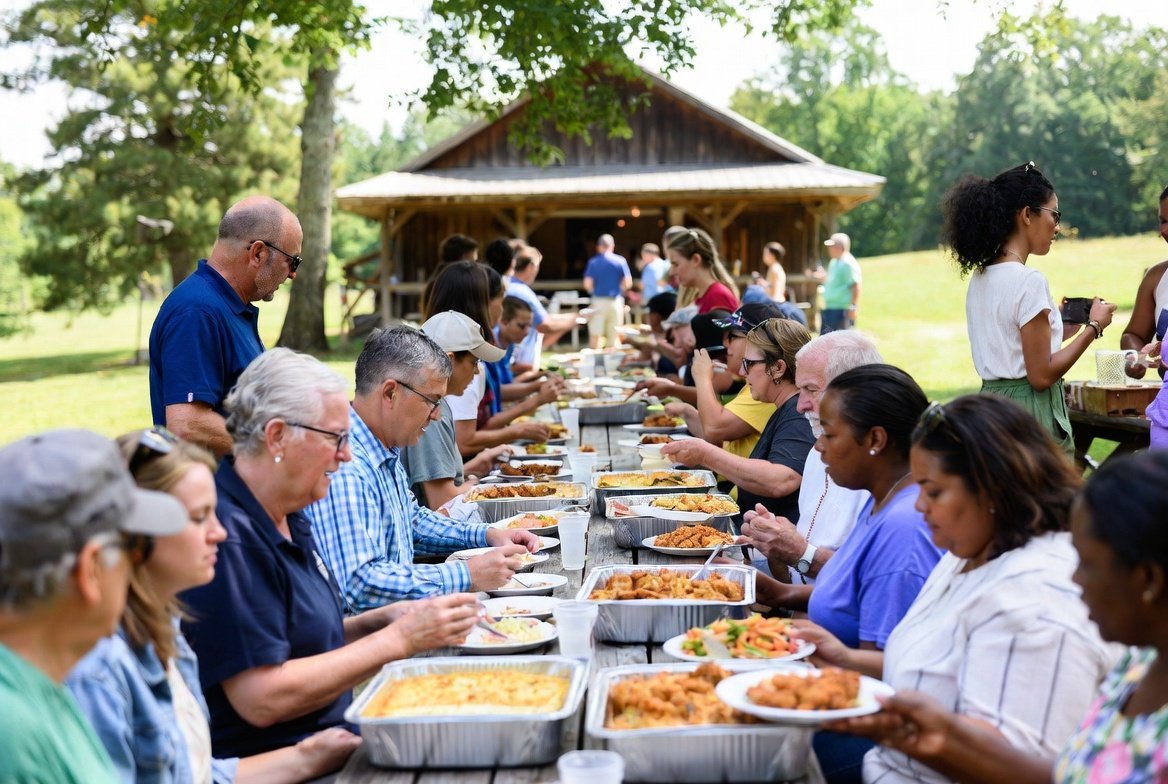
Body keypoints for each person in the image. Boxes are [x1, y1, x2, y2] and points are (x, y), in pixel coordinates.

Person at [181, 348, 480, 758]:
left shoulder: (286, 511)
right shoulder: (228, 539)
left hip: (337, 739)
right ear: (277, 437)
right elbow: (262, 697)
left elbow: (303, 638)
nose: (347, 454)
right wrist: (398, 639)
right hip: (289, 760)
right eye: (335, 439)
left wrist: (384, 620)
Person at [822, 399, 1133, 784]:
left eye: (933, 492)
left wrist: (914, 735)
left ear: (991, 489)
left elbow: (1022, 762)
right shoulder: (970, 549)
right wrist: (844, 660)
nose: (919, 506)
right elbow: (938, 668)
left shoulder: (1035, 601)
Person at [68, 428, 360, 783]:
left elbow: (192, 773)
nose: (219, 532)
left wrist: (306, 757)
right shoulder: (97, 670)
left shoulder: (166, 629)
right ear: (136, 534)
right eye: (198, 517)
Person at [756, 364, 942, 783]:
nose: (818, 446)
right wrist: (782, 594)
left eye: (830, 433)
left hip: (870, 735)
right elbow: (855, 595)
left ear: (875, 440)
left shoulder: (903, 528)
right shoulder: (880, 501)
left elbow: (881, 677)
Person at [0, 429, 188, 783]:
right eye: (138, 547)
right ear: (91, 569)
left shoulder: (41, 678)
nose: (140, 568)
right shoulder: (15, 736)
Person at [307, 327, 539, 609]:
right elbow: (360, 583)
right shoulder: (345, 465)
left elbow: (411, 522)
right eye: (432, 401)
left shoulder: (382, 446)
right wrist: (467, 574)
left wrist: (488, 535)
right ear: (390, 393)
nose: (437, 414)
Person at [941, 161, 1116, 453]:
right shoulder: (1029, 280)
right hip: (1028, 418)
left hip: (991, 413)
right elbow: (1040, 376)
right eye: (1054, 214)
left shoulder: (981, 276)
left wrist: (1058, 329)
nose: (1057, 226)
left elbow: (1010, 346)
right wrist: (1094, 327)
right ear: (1026, 214)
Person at [148, 196, 301, 457]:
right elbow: (188, 425)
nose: (292, 274)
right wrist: (275, 444)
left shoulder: (224, 306)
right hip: (215, 495)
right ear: (258, 253)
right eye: (293, 261)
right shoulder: (197, 311)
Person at [739, 331, 882, 584]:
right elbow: (798, 576)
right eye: (800, 389)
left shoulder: (885, 475)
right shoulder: (817, 456)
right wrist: (777, 542)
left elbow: (869, 582)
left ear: (855, 391)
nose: (800, 405)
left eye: (811, 389)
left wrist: (799, 552)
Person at [662, 317, 815, 520]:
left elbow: (781, 479)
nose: (742, 372)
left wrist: (705, 454)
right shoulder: (785, 407)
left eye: (749, 363)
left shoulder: (798, 413)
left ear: (778, 368)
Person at [424, 261, 550, 452]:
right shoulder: (462, 360)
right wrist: (520, 426)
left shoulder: (441, 350)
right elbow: (464, 441)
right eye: (501, 298)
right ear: (483, 303)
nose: (502, 307)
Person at [402, 311, 515, 511]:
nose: (477, 371)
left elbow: (432, 480)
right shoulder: (432, 411)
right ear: (450, 360)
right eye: (474, 362)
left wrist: (477, 465)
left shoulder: (434, 403)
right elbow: (442, 502)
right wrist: (478, 485)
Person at [665, 303, 786, 460]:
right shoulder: (752, 383)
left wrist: (702, 378)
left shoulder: (767, 386)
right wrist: (687, 412)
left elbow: (714, 429)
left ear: (755, 340)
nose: (725, 344)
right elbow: (719, 441)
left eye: (731, 337)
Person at [1121, 186, 1168, 448]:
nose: (1164, 230)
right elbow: (1134, 334)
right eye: (1162, 220)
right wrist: (1135, 357)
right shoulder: (1157, 277)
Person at [505, 245, 578, 374]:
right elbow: (544, 325)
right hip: (519, 363)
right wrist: (574, 320)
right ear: (531, 266)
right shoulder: (523, 292)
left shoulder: (506, 284)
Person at [667, 227, 740, 314]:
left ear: (695, 260)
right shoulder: (703, 296)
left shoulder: (717, 296)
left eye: (675, 264)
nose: (671, 272)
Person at [583, 233, 632, 349]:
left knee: (595, 335)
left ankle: (594, 364)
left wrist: (594, 291)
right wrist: (619, 289)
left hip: (598, 302)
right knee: (614, 337)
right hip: (615, 302)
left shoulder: (593, 262)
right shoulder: (620, 261)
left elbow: (587, 284)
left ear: (599, 246)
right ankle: (612, 365)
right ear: (612, 246)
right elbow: (628, 283)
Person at [813, 232, 861, 333]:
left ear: (840, 247)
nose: (829, 249)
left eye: (831, 246)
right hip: (830, 307)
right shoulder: (834, 261)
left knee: (840, 344)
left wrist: (853, 307)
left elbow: (855, 285)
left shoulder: (848, 263)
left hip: (841, 310)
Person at [760, 241, 808, 325]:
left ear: (772, 255)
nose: (763, 256)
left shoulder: (775, 268)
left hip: (776, 304)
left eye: (765, 253)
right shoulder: (775, 267)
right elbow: (773, 285)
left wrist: (773, 308)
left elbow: (777, 289)